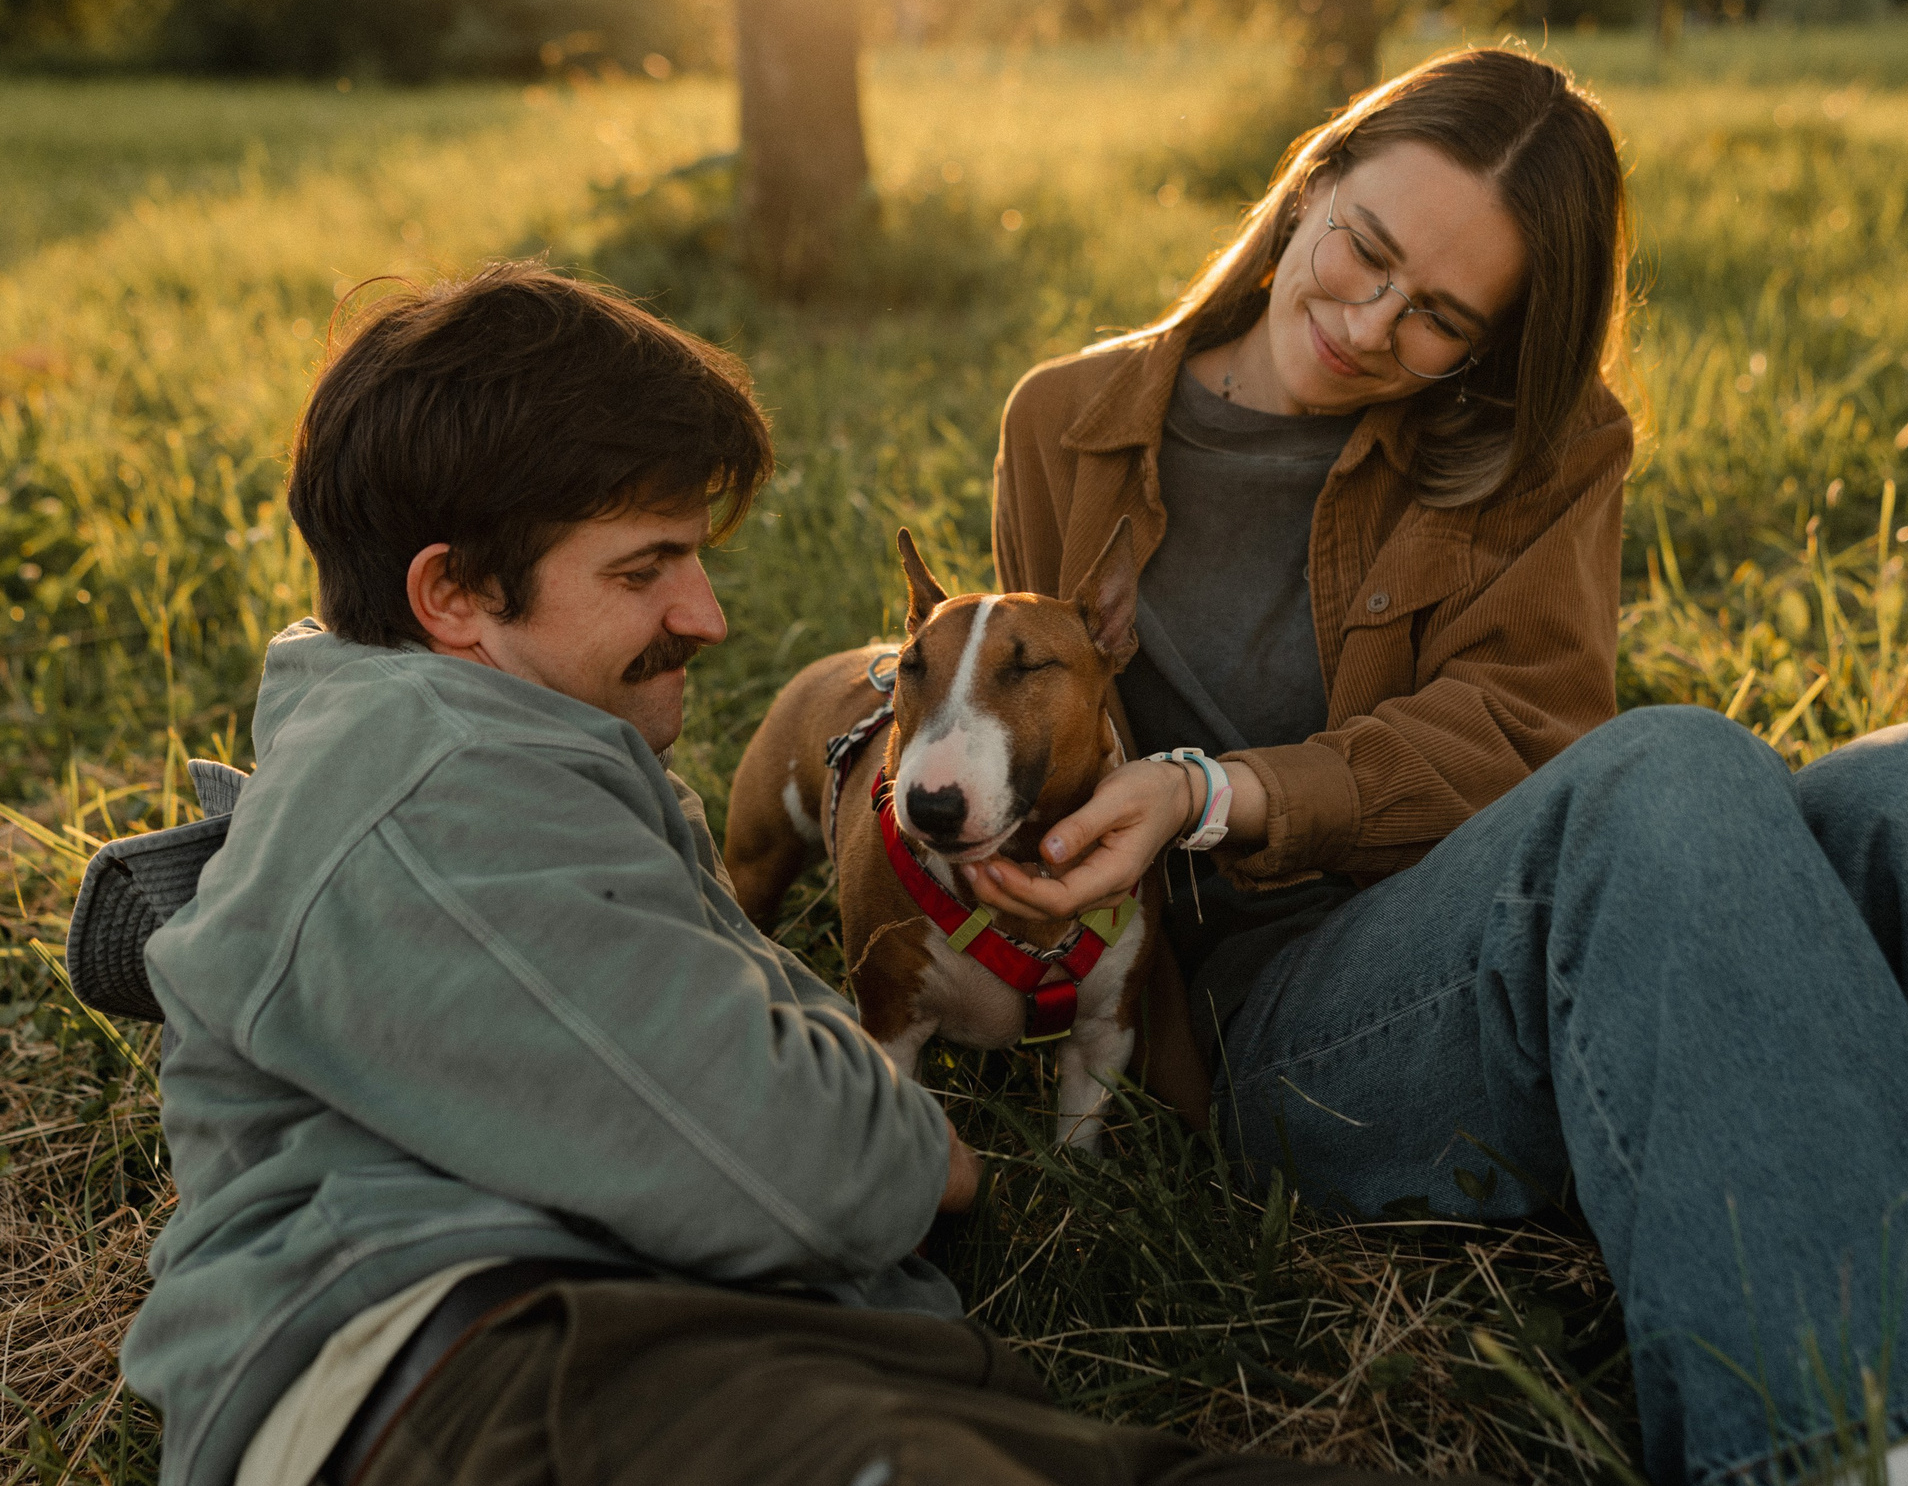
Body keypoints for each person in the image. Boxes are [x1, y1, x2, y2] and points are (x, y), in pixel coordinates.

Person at [965, 47, 1908, 1486]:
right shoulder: (1068, 423)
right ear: (1311, 184)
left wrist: (1219, 786)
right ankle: (1859, 1449)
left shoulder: (1541, 445)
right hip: (1286, 1018)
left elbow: (1523, 731)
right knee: (1670, 768)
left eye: (1440, 320)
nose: (1366, 324)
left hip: (1542, 912)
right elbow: (1036, 712)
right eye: (1364, 251)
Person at [121, 261, 1481, 1486]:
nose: (707, 617)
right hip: (494, 1371)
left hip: (718, 1354)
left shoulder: (504, 756)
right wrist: (929, 1152)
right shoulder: (427, 781)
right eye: (646, 571)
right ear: (455, 597)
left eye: (696, 562)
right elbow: (796, 1156)